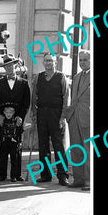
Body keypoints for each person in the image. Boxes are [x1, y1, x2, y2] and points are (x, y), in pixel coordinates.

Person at [31, 53, 70, 185]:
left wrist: (62, 117)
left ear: (55, 63)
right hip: (42, 114)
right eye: (46, 61)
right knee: (43, 147)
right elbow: (33, 97)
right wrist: (34, 114)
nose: (48, 63)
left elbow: (66, 98)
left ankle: (63, 175)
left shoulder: (61, 76)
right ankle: (46, 175)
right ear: (43, 62)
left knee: (59, 147)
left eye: (51, 61)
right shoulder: (38, 77)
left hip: (56, 115)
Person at [0, 53, 30, 181]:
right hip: (3, 121)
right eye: (6, 66)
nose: (9, 68)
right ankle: (1, 174)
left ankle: (16, 174)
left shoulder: (24, 83)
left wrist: (21, 116)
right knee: (2, 148)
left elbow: (26, 103)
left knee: (16, 148)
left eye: (11, 66)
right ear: (4, 68)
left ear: (15, 66)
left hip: (17, 121)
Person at [65, 50, 91, 191]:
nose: (82, 62)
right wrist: (68, 114)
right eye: (80, 60)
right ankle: (78, 179)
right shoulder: (76, 77)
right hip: (74, 117)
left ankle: (89, 181)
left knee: (88, 150)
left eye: (85, 60)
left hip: (88, 117)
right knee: (76, 149)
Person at [0, 103, 24, 182]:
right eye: (7, 112)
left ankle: (13, 176)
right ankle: (2, 175)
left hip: (13, 142)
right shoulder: (2, 121)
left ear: (14, 113)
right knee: (3, 159)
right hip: (4, 141)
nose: (8, 114)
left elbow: (19, 131)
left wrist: (19, 141)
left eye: (10, 112)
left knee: (14, 159)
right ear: (4, 113)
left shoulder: (16, 121)